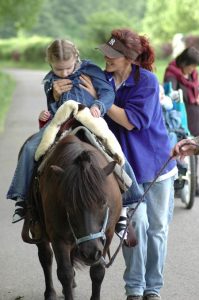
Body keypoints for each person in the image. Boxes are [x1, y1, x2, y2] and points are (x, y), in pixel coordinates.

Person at [77, 28, 177, 300]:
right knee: (134, 227)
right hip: (125, 169)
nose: (106, 59)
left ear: (129, 58)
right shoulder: (102, 78)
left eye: (113, 55)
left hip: (157, 167)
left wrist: (100, 99)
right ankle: (134, 288)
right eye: (106, 53)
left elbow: (132, 121)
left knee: (157, 230)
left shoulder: (146, 80)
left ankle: (152, 288)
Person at [7, 39, 116, 223]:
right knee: (30, 147)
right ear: (50, 64)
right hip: (61, 122)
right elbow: (52, 107)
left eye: (69, 67)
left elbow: (108, 93)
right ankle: (22, 198)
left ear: (76, 57)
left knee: (115, 150)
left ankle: (129, 196)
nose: (64, 73)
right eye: (59, 69)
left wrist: (99, 105)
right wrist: (53, 97)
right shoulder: (50, 80)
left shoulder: (91, 70)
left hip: (90, 119)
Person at [163, 46, 199, 194]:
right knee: (187, 147)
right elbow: (170, 96)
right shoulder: (171, 73)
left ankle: (195, 182)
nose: (192, 70)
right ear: (183, 62)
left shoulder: (193, 75)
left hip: (196, 115)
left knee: (196, 148)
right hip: (183, 117)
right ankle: (182, 180)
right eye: (191, 66)